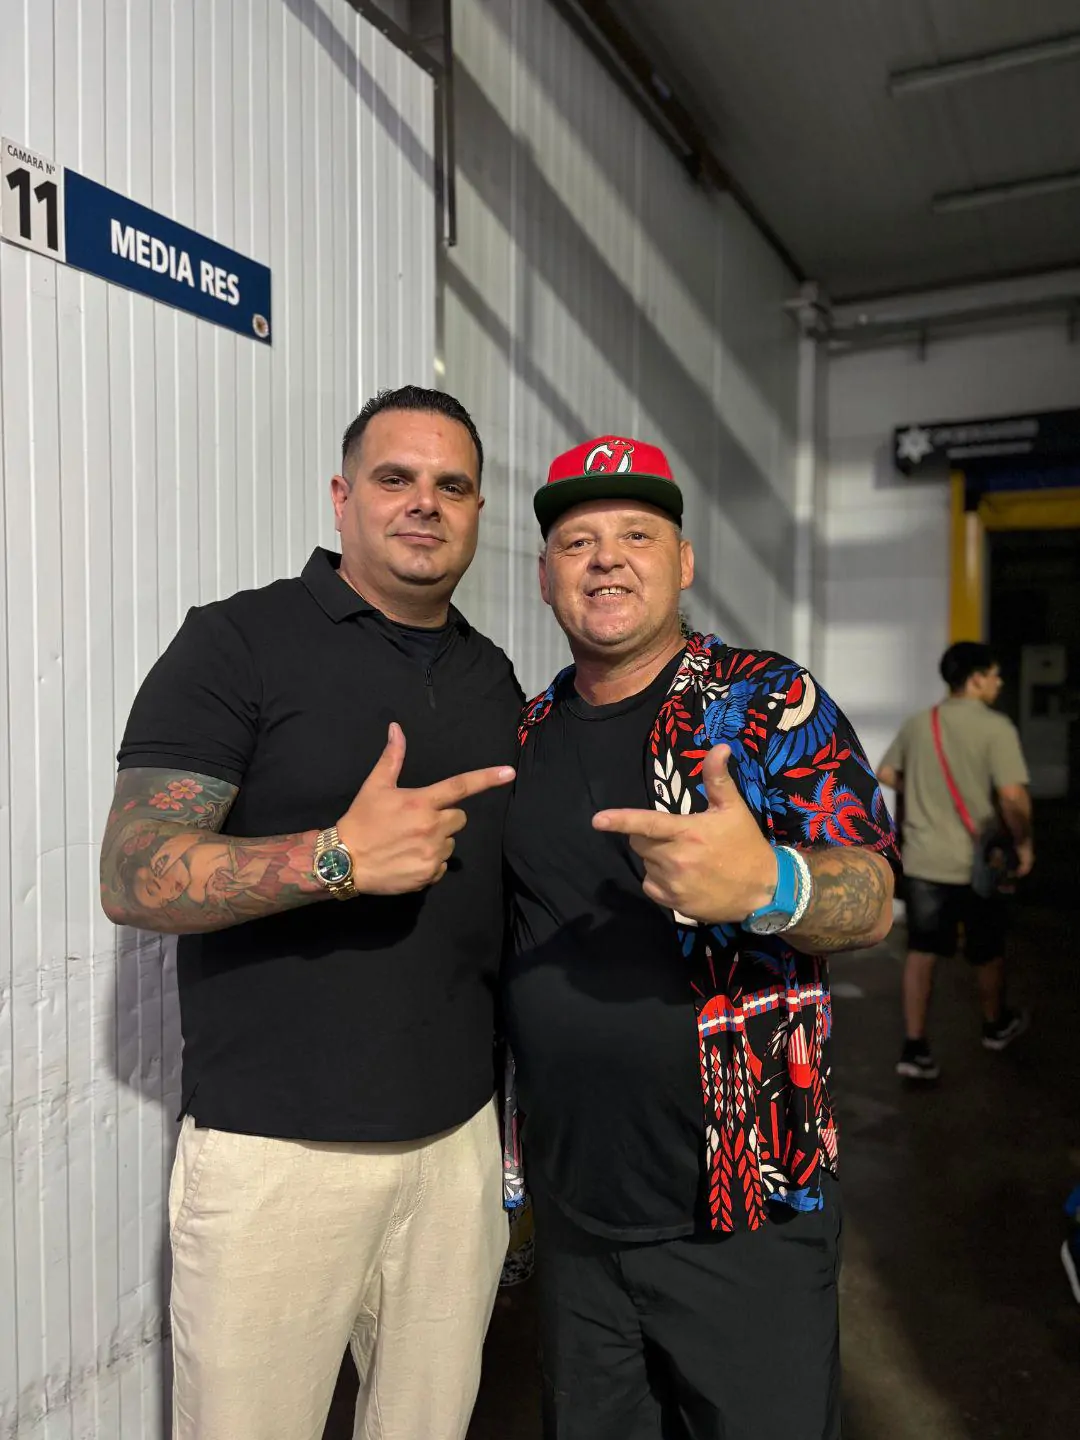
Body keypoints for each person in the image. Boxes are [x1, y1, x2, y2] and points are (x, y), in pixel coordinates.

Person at [99, 386, 523, 1440]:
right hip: (275, 1159)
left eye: (452, 486)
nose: (424, 503)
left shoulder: (493, 674)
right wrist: (335, 858)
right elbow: (132, 871)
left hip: (458, 1151)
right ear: (342, 498)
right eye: (395, 478)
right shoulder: (237, 642)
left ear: (477, 512)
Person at [501, 435, 899, 1440]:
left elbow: (873, 895)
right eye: (577, 541)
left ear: (682, 562)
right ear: (546, 577)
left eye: (637, 535)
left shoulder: (767, 703)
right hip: (575, 1208)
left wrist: (772, 883)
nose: (606, 557)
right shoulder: (526, 731)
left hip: (747, 1206)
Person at [878, 641, 1033, 1082]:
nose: (998, 682)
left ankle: (915, 1047)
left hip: (924, 860)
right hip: (977, 862)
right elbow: (1012, 798)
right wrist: (1024, 843)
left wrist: (922, 789)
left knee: (922, 951)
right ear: (977, 678)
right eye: (994, 674)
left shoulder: (919, 724)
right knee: (988, 950)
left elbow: (885, 772)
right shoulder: (996, 728)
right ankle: (994, 1026)